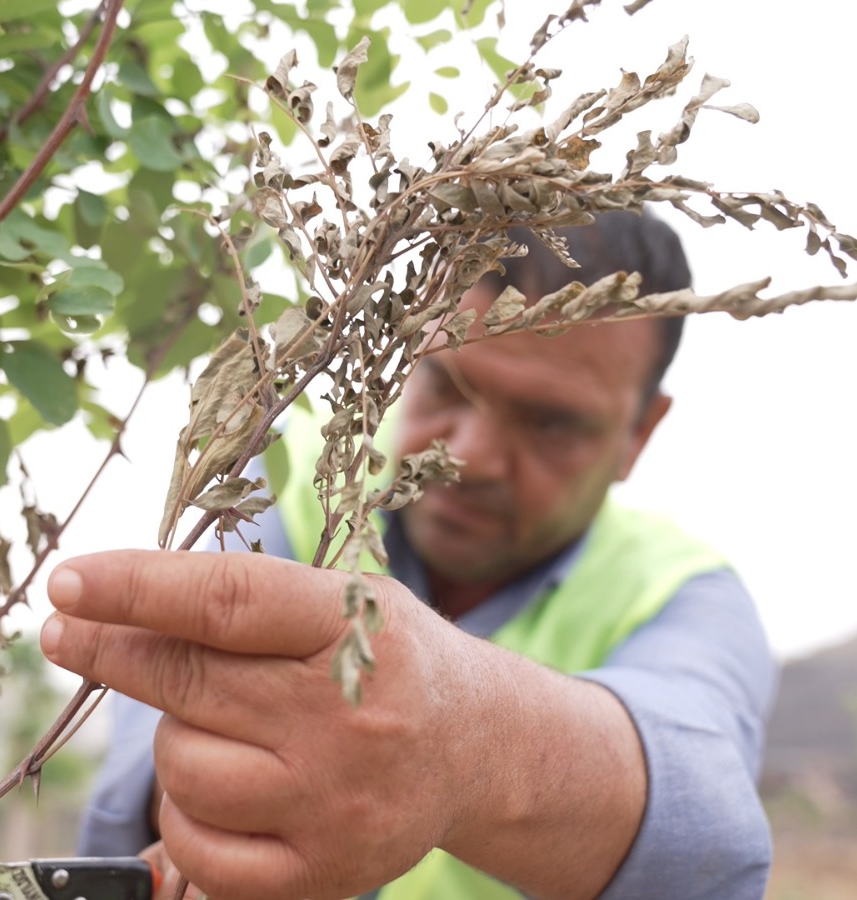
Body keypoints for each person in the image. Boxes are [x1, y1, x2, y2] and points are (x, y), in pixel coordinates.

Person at [42, 211, 777, 900]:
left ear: (640, 435)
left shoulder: (681, 592)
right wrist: (201, 816)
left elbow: (710, 821)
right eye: (448, 386)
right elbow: (157, 755)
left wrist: (465, 750)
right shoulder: (282, 480)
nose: (471, 455)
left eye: (552, 423)